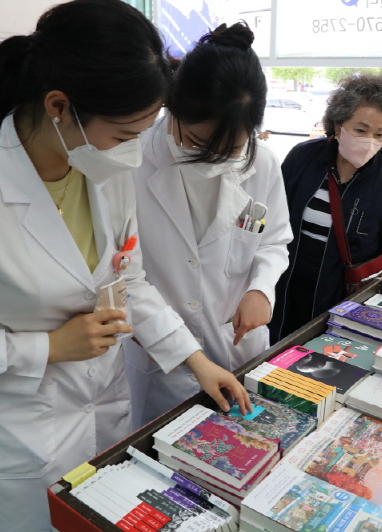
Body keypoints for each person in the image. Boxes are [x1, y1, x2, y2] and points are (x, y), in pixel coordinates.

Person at [0, 2, 247, 531]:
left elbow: (127, 278)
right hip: (13, 446)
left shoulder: (101, 169)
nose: (134, 153)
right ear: (58, 106)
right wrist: (47, 348)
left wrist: (194, 359)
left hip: (101, 418)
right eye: (125, 135)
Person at [126, 23, 292, 428]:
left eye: (231, 148)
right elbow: (126, 277)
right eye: (200, 144)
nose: (214, 159)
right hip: (159, 358)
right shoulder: (130, 160)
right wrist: (187, 354)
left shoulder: (262, 163)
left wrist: (261, 289)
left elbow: (273, 240)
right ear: (173, 107)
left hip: (236, 345)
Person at [269, 74, 382, 343]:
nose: (369, 141)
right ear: (338, 124)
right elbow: (275, 218)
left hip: (342, 295)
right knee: (277, 345)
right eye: (361, 130)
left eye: (379, 134)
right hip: (287, 283)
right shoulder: (303, 158)